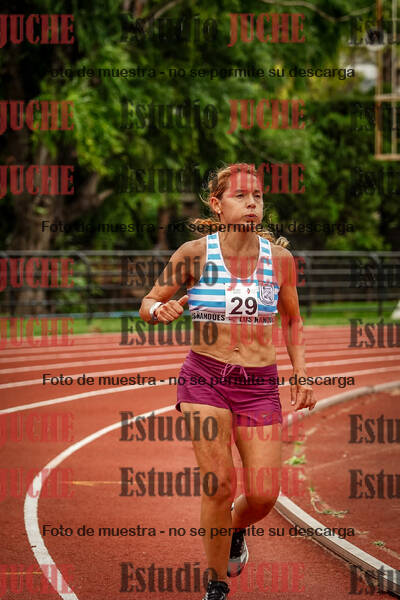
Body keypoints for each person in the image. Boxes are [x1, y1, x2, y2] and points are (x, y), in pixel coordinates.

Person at [139, 163, 315, 600]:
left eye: (257, 196)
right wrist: (159, 311)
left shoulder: (280, 260)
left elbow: (292, 320)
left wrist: (301, 374)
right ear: (217, 205)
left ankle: (234, 529)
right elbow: (148, 302)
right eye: (241, 196)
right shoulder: (194, 254)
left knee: (264, 495)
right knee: (218, 484)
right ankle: (216, 584)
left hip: (258, 385)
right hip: (205, 378)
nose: (252, 203)